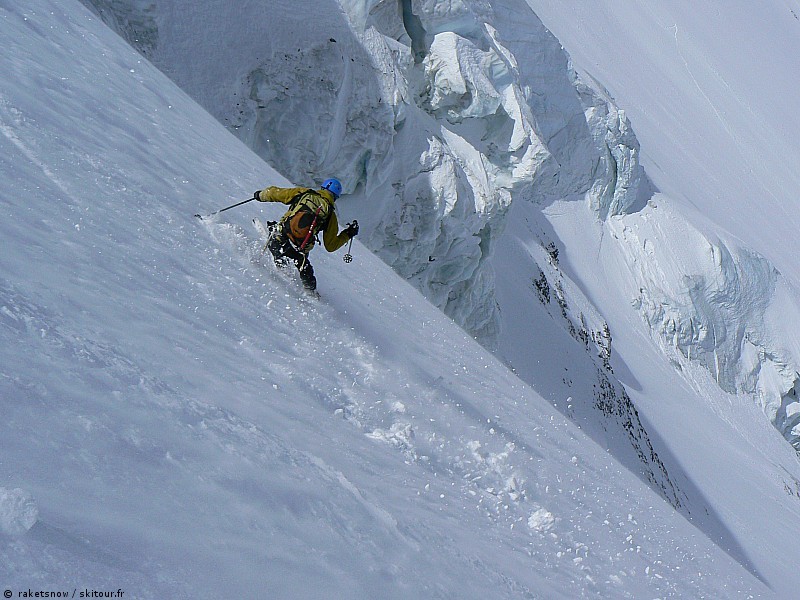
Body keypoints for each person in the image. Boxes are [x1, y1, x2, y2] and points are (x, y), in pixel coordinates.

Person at [253, 178, 358, 291]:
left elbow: (277, 193)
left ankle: (273, 237)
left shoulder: (305, 193)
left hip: (278, 239)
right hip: (297, 251)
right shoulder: (330, 215)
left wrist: (260, 195)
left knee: (278, 231)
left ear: (323, 188)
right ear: (335, 197)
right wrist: (348, 234)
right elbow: (331, 245)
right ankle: (310, 290)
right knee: (305, 269)